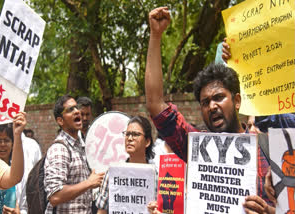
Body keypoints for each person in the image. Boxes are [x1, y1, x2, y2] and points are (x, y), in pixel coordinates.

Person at [145, 7, 274, 214]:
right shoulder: (197, 147)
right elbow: (155, 104)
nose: (212, 106)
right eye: (205, 102)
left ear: (237, 100)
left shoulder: (270, 151)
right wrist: (156, 36)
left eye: (219, 98)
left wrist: (270, 212)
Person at [43, 94, 104, 214]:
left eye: (76, 107)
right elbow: (55, 196)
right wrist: (89, 183)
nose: (77, 111)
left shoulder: (80, 147)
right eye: (70, 110)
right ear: (60, 120)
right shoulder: (59, 149)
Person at [95, 115, 156, 214]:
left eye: (135, 134)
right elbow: (102, 210)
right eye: (127, 134)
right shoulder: (112, 173)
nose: (130, 138)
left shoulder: (157, 175)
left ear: (147, 142)